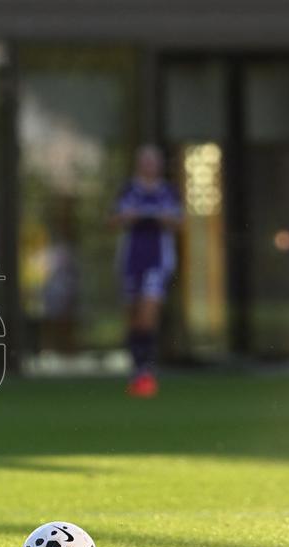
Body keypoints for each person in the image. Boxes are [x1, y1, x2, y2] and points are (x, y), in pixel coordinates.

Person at [109, 145, 183, 397]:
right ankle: (137, 368)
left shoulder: (167, 192)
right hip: (131, 260)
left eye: (154, 161)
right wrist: (127, 217)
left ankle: (146, 370)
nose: (150, 166)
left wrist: (162, 219)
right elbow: (113, 220)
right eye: (145, 161)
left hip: (157, 260)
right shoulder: (130, 190)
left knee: (148, 313)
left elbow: (178, 222)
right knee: (132, 315)